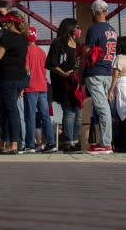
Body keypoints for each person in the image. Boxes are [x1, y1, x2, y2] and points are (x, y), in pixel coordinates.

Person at [0, 10, 28, 154]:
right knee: (4, 110)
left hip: (7, 79)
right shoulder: (23, 39)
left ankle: (13, 144)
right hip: (18, 78)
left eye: (6, 22)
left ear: (11, 22)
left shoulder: (7, 37)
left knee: (9, 110)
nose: (4, 24)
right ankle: (3, 143)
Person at [80, 0, 117, 155]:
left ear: (95, 12)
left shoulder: (94, 29)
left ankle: (106, 144)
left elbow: (86, 51)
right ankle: (105, 142)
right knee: (104, 108)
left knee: (102, 108)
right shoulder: (113, 30)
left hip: (95, 72)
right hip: (107, 72)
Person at [46, 18, 82, 152]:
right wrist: (64, 74)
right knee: (69, 111)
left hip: (78, 84)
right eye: (77, 27)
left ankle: (75, 140)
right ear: (70, 28)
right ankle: (67, 142)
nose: (79, 30)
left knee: (79, 112)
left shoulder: (78, 45)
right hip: (64, 83)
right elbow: (51, 64)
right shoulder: (58, 43)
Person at [23, 26, 56, 153]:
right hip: (43, 86)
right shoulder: (41, 51)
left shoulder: (26, 51)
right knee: (45, 116)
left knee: (30, 117)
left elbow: (26, 69)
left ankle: (30, 145)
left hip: (31, 87)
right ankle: (51, 143)